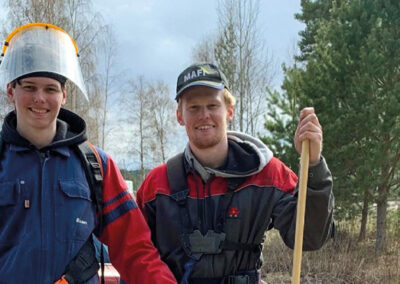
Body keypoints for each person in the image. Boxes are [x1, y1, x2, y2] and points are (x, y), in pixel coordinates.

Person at [0, 23, 177, 284]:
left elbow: (134, 249)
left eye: (50, 89)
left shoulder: (95, 164)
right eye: (29, 87)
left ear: (63, 96)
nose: (40, 98)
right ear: (11, 91)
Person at [136, 62, 334, 283]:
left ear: (229, 111)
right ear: (180, 116)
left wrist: (314, 165)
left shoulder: (268, 174)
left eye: (212, 105)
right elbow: (136, 254)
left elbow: (309, 237)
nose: (204, 115)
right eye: (193, 107)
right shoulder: (157, 185)